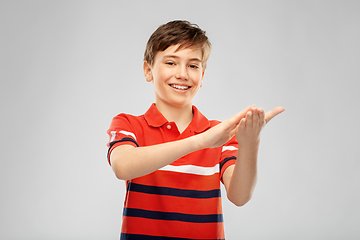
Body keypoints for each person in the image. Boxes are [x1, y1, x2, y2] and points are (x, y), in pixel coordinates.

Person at [106, 20, 284, 240]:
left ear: (202, 76)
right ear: (148, 70)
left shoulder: (220, 133)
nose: (183, 74)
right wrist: (201, 141)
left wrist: (250, 142)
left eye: (193, 65)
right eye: (171, 63)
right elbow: (122, 166)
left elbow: (240, 196)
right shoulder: (128, 124)